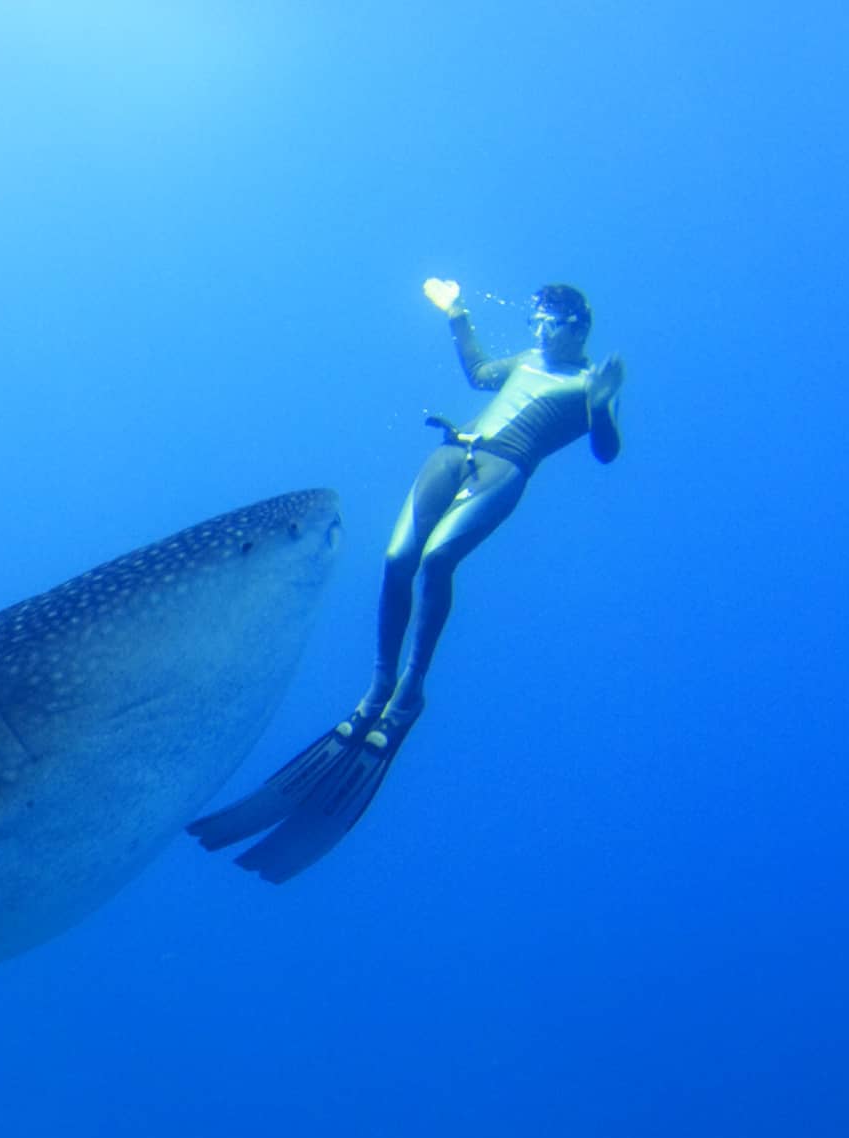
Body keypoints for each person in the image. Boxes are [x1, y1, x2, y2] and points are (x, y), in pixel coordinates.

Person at [188, 277, 625, 883]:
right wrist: (457, 313)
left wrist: (602, 405)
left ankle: (410, 692)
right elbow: (477, 375)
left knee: (438, 561)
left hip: (506, 468)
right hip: (455, 452)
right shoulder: (525, 360)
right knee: (397, 560)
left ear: (579, 325)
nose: (539, 332)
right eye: (535, 322)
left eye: (549, 323)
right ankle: (379, 687)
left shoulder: (586, 382)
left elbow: (606, 452)